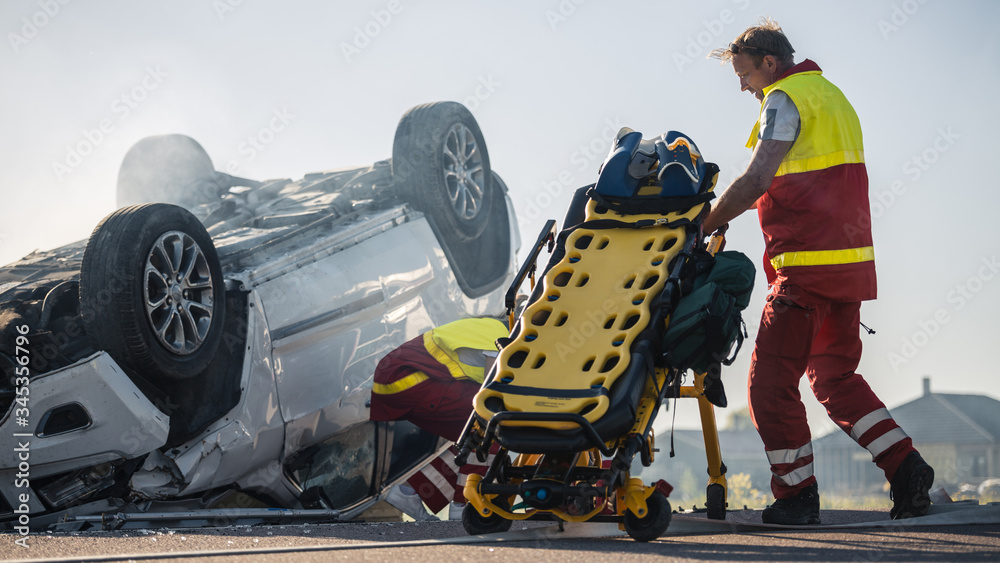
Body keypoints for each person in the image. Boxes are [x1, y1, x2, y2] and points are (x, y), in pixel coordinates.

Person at [704, 18, 933, 525]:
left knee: (768, 386)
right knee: (834, 376)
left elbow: (757, 178)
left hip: (805, 267)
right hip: (847, 265)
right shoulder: (831, 95)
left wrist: (706, 223)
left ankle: (796, 496)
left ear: (769, 63)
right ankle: (907, 468)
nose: (743, 86)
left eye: (745, 75)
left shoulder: (784, 98)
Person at [369, 317, 508, 521]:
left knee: (473, 437)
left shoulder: (492, 326)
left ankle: (408, 491)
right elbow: (491, 392)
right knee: (493, 425)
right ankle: (463, 507)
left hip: (399, 382)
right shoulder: (501, 336)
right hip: (408, 380)